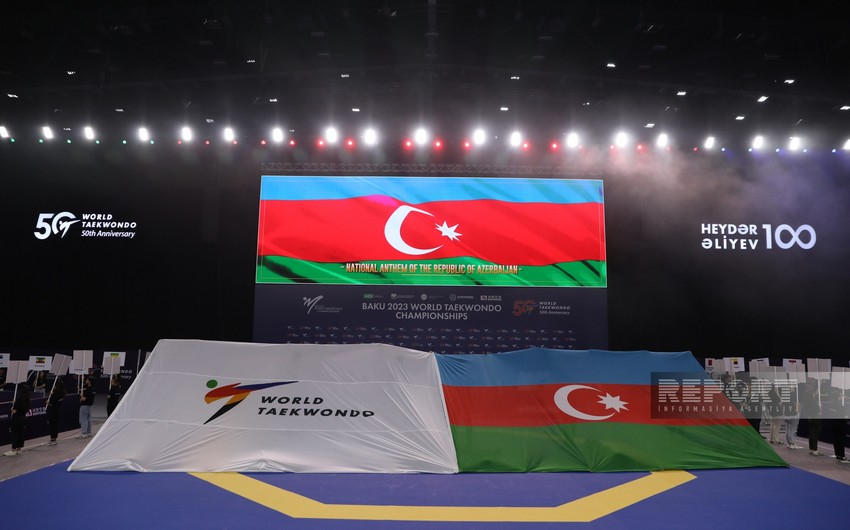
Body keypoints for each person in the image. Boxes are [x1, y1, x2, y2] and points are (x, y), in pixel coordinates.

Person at [4, 384, 31, 456]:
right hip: (23, 418)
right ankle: (19, 449)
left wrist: (11, 409)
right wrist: (15, 403)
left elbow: (15, 411)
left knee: (15, 434)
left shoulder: (19, 399)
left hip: (17, 419)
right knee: (21, 433)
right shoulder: (27, 399)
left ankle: (13, 450)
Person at [802, 380, 823, 456]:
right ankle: (814, 449)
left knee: (812, 432)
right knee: (815, 433)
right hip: (815, 416)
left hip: (810, 416)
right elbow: (813, 406)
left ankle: (812, 448)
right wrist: (819, 409)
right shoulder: (810, 395)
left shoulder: (809, 394)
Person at [46, 378, 66, 446]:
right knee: (55, 425)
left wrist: (48, 402)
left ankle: (53, 439)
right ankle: (54, 438)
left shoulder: (55, 395)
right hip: (58, 411)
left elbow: (53, 403)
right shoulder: (62, 394)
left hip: (53, 411)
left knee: (52, 425)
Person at [784, 384, 802, 449]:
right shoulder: (793, 397)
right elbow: (795, 407)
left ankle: (789, 443)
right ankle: (792, 443)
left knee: (787, 430)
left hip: (786, 415)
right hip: (793, 415)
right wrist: (797, 408)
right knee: (792, 430)